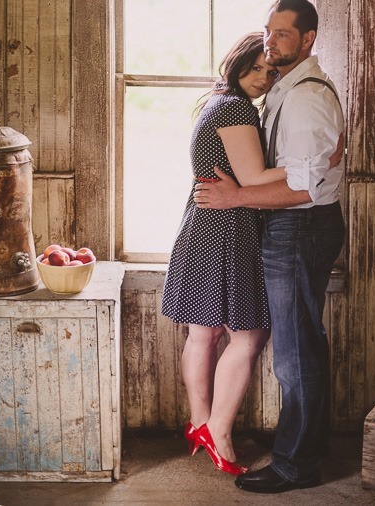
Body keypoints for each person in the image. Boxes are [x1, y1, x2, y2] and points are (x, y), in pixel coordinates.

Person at [194, 0, 346, 493]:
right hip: (292, 225)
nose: (271, 42)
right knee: (301, 348)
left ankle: (295, 466)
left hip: (300, 226)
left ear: (308, 38)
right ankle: (306, 452)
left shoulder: (305, 96)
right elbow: (313, 161)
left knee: (295, 354)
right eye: (267, 31)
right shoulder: (287, 85)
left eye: (282, 34)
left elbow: (304, 184)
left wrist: (237, 195)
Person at [161, 32, 309, 476]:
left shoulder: (218, 103)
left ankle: (201, 424)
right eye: (255, 67)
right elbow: (253, 175)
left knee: (203, 332)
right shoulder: (234, 108)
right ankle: (218, 431)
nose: (264, 77)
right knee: (247, 336)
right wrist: (317, 161)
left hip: (207, 223)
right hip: (227, 226)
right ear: (237, 64)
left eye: (270, 70)